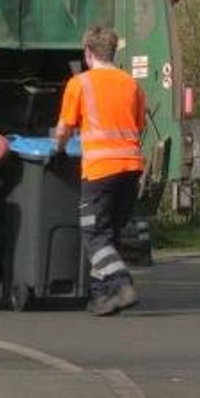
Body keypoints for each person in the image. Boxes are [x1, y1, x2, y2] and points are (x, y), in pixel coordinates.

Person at [53, 25, 145, 316]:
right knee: (109, 235)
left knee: (94, 235)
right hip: (131, 169)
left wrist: (58, 147)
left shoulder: (80, 83)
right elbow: (138, 125)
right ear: (113, 52)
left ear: (88, 53)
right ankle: (101, 298)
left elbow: (64, 128)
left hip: (100, 170)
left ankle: (121, 282)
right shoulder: (131, 84)